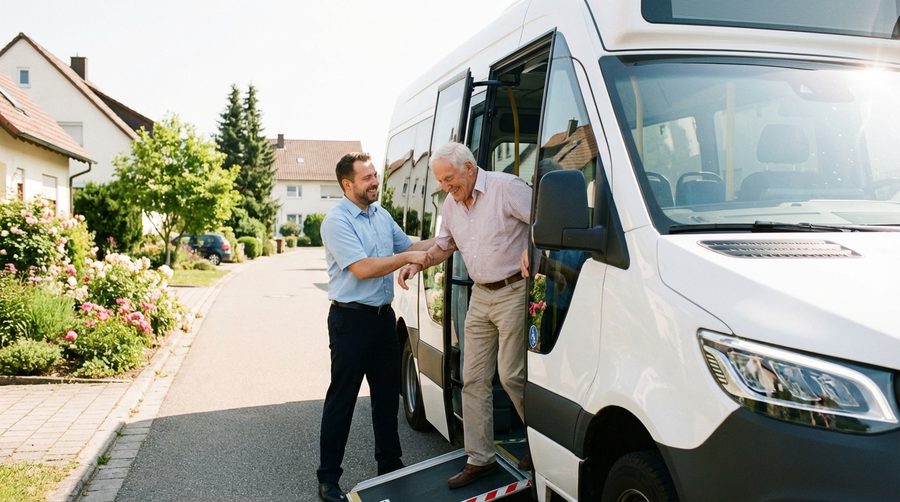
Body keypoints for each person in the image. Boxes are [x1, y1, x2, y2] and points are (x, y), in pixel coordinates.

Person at [398, 142, 532, 489]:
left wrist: (533, 250)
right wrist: (417, 262)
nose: (446, 187)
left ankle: (540, 444)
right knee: (472, 379)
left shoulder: (507, 189)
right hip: (480, 297)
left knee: (512, 375)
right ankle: (480, 458)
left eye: (449, 178)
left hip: (514, 291)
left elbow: (545, 223)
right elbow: (444, 245)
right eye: (441, 182)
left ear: (469, 168)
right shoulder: (451, 204)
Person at [317, 152, 433, 502]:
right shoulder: (337, 221)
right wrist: (408, 258)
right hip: (350, 322)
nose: (375, 182)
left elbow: (412, 248)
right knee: (343, 401)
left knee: (387, 398)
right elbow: (365, 268)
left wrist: (452, 240)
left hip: (383, 320)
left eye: (375, 176)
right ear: (347, 184)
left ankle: (390, 467)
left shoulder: (381, 216)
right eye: (367, 178)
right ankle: (328, 479)